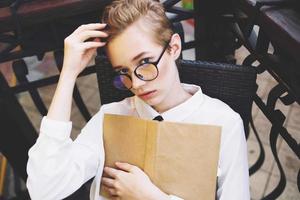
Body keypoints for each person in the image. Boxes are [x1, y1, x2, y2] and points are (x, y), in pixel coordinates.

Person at [26, 0, 250, 199]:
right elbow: (45, 190)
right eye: (123, 71)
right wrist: (68, 75)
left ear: (174, 47)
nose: (136, 84)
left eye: (144, 63)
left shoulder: (224, 123)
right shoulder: (111, 116)